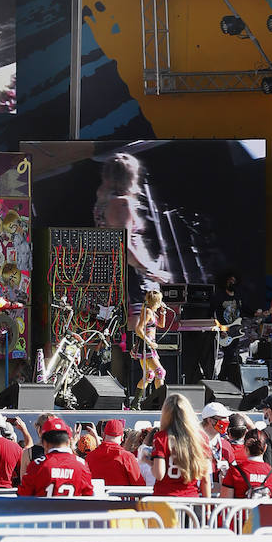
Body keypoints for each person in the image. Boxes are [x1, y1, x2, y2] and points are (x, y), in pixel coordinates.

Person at [93, 152, 170, 290]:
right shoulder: (121, 204)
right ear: (130, 176)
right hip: (135, 276)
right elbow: (123, 247)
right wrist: (151, 272)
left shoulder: (103, 199)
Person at [151, 393, 212, 498]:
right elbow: (205, 479)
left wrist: (147, 461)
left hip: (164, 500)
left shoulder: (161, 437)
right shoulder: (201, 438)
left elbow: (159, 474)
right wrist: (207, 509)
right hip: (190, 500)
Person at [18, 417, 94, 497]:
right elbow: (88, 498)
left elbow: (23, 496)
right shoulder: (81, 465)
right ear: (68, 441)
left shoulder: (37, 465)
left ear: (44, 443)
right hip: (71, 509)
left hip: (42, 509)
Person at [85, 419, 146, 489]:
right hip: (121, 499)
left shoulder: (90, 457)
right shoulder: (127, 457)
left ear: (104, 435)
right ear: (122, 437)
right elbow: (140, 486)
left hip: (98, 498)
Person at [221, 430, 272, 499]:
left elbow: (225, 501)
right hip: (265, 510)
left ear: (245, 447)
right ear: (265, 448)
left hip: (242, 509)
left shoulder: (234, 471)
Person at [132, 290, 167, 409]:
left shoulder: (152, 312)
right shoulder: (147, 312)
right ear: (157, 301)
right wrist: (150, 342)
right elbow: (139, 329)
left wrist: (163, 312)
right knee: (160, 372)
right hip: (146, 346)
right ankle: (162, 403)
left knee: (148, 375)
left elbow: (161, 325)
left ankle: (135, 403)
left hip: (148, 346)